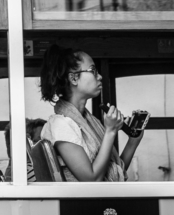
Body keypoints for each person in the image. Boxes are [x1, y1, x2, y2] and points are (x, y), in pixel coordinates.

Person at [39, 44, 143, 182]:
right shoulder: (61, 124)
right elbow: (92, 180)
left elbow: (116, 172)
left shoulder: (90, 121)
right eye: (93, 70)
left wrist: (133, 142)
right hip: (82, 203)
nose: (99, 76)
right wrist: (110, 131)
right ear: (74, 78)